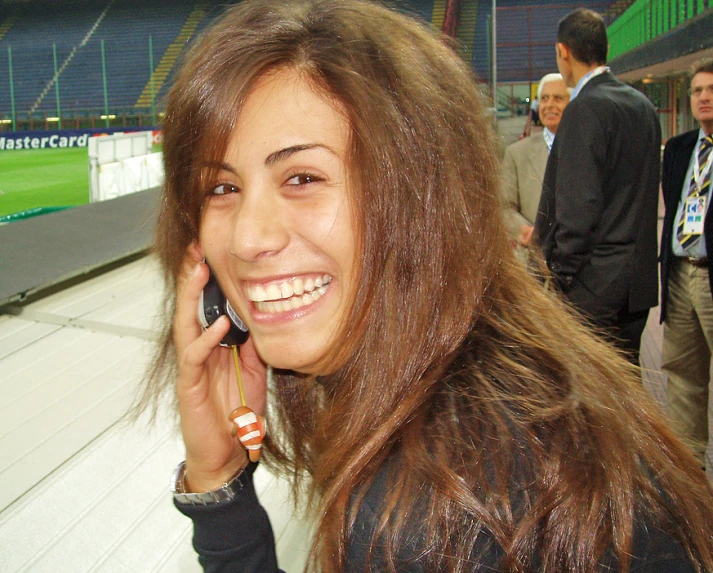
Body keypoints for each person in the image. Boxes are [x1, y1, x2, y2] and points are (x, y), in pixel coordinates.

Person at [136, 1, 713, 572]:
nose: (246, 240)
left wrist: (218, 500)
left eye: (303, 177)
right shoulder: (495, 382)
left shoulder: (436, 508)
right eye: (220, 188)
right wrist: (218, 482)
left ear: (419, 201)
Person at [534, 8, 661, 365]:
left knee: (592, 403)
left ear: (564, 51)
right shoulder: (643, 107)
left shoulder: (584, 109)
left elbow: (577, 210)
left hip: (594, 288)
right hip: (638, 287)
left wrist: (559, 277)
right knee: (628, 393)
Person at [659, 60, 713, 468]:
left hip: (711, 278)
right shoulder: (678, 149)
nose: (704, 97)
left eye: (711, 89)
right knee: (682, 375)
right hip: (679, 275)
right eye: (697, 91)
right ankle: (690, 473)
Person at [501, 73, 570, 258]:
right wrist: (522, 228)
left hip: (576, 263)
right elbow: (504, 206)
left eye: (558, 98)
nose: (549, 105)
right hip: (533, 261)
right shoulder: (516, 153)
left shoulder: (586, 150)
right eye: (544, 99)